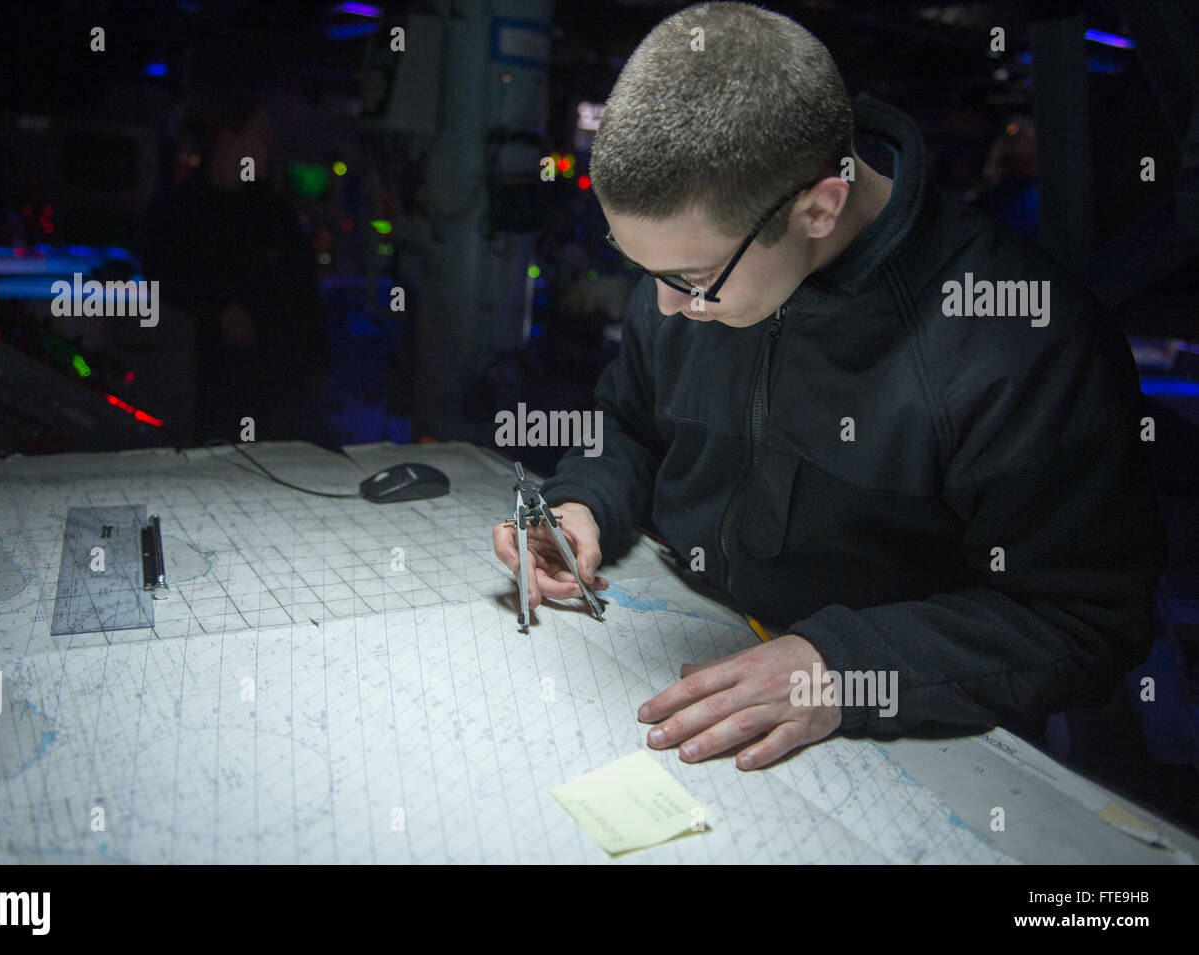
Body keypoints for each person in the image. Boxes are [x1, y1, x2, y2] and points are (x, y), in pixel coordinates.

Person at [492, 2, 1164, 771]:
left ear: (820, 208)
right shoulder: (701, 258)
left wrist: (845, 668)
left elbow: (1083, 617)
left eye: (692, 279)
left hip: (905, 746)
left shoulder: (1020, 338)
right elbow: (630, 424)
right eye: (642, 268)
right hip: (684, 645)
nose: (665, 306)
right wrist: (585, 501)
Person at [144, 90, 330, 444]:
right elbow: (165, 279)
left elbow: (303, 293)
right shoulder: (179, 212)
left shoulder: (274, 212)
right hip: (207, 393)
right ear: (228, 141)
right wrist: (216, 312)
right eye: (259, 137)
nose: (269, 147)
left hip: (277, 397)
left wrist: (316, 362)